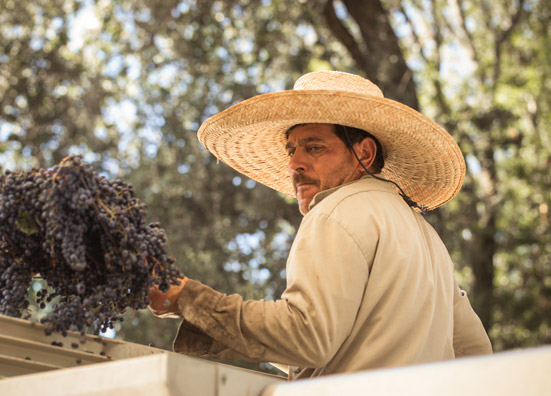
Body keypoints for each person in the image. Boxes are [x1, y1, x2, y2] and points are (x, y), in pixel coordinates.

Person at [148, 71, 492, 380]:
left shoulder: (336, 211)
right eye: (291, 150)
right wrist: (202, 319)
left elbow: (307, 337)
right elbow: (474, 354)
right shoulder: (428, 241)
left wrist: (190, 299)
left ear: (365, 154)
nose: (295, 163)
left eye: (314, 147)